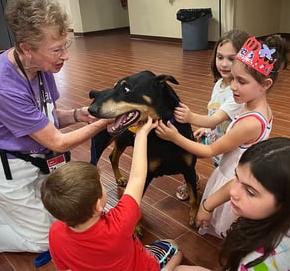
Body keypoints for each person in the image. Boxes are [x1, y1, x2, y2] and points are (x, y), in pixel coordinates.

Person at [0, 0, 111, 254]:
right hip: (7, 163)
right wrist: (105, 122)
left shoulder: (41, 67)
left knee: (70, 217)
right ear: (26, 49)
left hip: (37, 158)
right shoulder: (2, 87)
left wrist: (78, 114)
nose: (65, 56)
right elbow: (56, 140)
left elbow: (47, 116)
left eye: (66, 45)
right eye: (56, 50)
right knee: (46, 241)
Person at [155, 35, 290, 237]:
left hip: (232, 178)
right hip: (232, 168)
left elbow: (209, 151)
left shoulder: (250, 123)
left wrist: (175, 138)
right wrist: (209, 130)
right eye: (233, 78)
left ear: (266, 84)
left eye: (242, 81)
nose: (233, 86)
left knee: (227, 227)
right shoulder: (256, 106)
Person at [41, 116, 183, 271]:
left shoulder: (55, 232)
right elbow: (137, 177)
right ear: (97, 205)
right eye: (100, 183)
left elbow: (64, 268)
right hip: (143, 266)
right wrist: (142, 133)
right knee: (175, 249)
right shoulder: (119, 223)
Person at [174, 137, 290, 271]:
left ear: (287, 203)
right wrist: (206, 206)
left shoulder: (257, 263)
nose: (233, 192)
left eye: (250, 191)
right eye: (236, 177)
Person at [174, 29, 248, 201]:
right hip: (215, 137)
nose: (224, 64)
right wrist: (204, 128)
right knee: (201, 159)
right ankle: (193, 181)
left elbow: (216, 118)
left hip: (228, 148)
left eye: (232, 59)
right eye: (220, 57)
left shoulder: (237, 94)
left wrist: (190, 117)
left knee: (227, 178)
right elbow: (213, 112)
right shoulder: (220, 84)